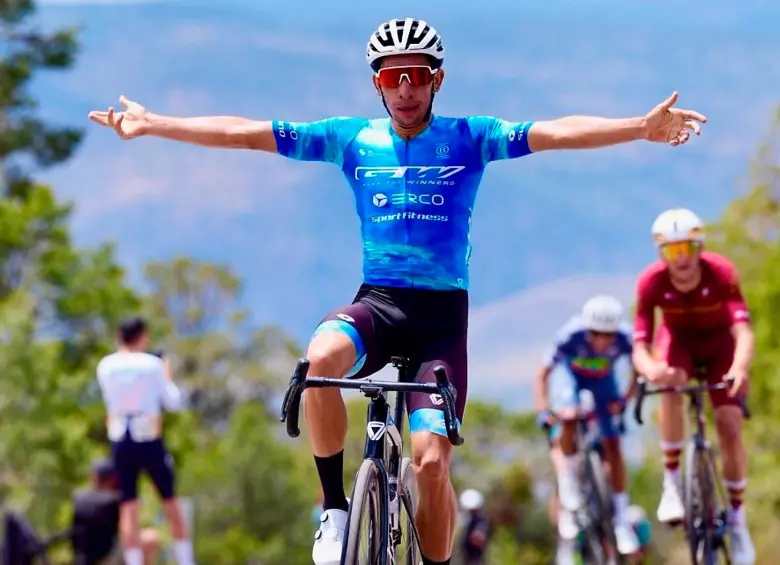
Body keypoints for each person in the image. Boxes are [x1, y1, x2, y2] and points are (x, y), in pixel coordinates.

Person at [87, 17, 707, 565]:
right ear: (377, 84)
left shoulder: (472, 137)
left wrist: (637, 128)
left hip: (441, 322)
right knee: (320, 361)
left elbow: (558, 131)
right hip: (379, 303)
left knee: (432, 463)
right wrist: (155, 124)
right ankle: (333, 509)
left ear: (437, 79)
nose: (405, 87)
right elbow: (244, 132)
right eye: (391, 76)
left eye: (416, 74)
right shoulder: (352, 139)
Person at [631, 208, 755, 565]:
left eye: (686, 249)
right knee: (670, 382)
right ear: (661, 254)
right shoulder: (651, 282)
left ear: (699, 247)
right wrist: (651, 368)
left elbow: (742, 331)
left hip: (720, 347)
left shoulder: (721, 273)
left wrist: (739, 368)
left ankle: (737, 518)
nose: (681, 259)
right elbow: (639, 344)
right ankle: (672, 481)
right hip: (679, 342)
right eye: (672, 252)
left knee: (730, 427)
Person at [534, 295, 640, 563]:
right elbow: (543, 374)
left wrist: (625, 400)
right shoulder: (571, 335)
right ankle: (568, 483)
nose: (602, 341)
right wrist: (545, 411)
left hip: (604, 385)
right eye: (595, 334)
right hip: (571, 380)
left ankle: (620, 517)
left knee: (614, 445)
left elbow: (637, 370)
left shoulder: (626, 338)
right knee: (569, 416)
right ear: (586, 327)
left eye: (608, 335)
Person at [95, 317, 195, 565]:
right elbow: (174, 401)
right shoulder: (152, 364)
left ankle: (134, 561)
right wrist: (166, 373)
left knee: (129, 506)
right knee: (170, 501)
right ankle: (185, 560)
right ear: (141, 336)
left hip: (119, 437)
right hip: (148, 436)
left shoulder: (105, 366)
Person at [71, 459, 161, 565]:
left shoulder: (79, 497)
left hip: (82, 560)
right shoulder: (117, 500)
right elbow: (131, 532)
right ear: (112, 479)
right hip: (107, 559)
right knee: (150, 537)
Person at [458, 489, 490, 565]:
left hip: (475, 560)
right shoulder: (467, 520)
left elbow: (479, 537)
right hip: (465, 558)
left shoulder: (481, 521)